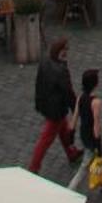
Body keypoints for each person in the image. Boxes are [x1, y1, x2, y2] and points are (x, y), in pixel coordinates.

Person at [29, 37, 81, 174]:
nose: (67, 52)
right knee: (46, 138)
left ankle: (71, 153)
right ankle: (34, 167)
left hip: (46, 103)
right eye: (66, 50)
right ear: (61, 52)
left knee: (63, 129)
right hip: (56, 109)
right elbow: (68, 92)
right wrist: (76, 108)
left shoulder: (45, 62)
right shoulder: (61, 70)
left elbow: (39, 83)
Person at [66, 66, 102, 193]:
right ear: (95, 83)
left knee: (97, 161)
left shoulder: (80, 98)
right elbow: (96, 124)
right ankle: (69, 190)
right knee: (84, 167)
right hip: (91, 138)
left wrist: (71, 136)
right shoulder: (96, 102)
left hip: (83, 134)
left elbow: (74, 118)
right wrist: (98, 144)